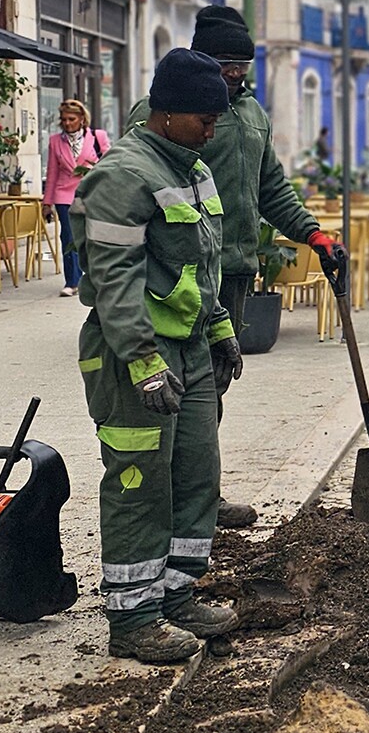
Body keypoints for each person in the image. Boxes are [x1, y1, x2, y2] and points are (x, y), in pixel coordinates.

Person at [127, 6, 342, 530]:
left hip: (234, 272)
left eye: (242, 66)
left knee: (211, 387)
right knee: (175, 386)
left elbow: (272, 188)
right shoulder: (163, 111)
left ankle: (201, 496)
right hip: (177, 275)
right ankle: (169, 502)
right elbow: (135, 187)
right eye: (226, 64)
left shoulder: (251, 114)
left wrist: (312, 233)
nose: (235, 74)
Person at [71, 49, 242, 664]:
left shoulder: (192, 169)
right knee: (139, 482)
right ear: (167, 113)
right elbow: (113, 278)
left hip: (189, 346)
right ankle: (134, 617)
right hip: (133, 354)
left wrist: (219, 327)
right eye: (204, 119)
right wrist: (143, 360)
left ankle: (176, 595)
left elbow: (199, 263)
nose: (212, 131)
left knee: (196, 472)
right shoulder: (123, 175)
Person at [45, 99, 109, 297]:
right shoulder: (55, 141)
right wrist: (47, 202)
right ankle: (72, 281)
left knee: (93, 236)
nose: (67, 123)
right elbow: (52, 173)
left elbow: (110, 165)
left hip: (91, 193)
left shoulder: (98, 137)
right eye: (64, 119)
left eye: (71, 119)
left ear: (81, 119)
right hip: (64, 195)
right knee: (69, 237)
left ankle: (94, 277)